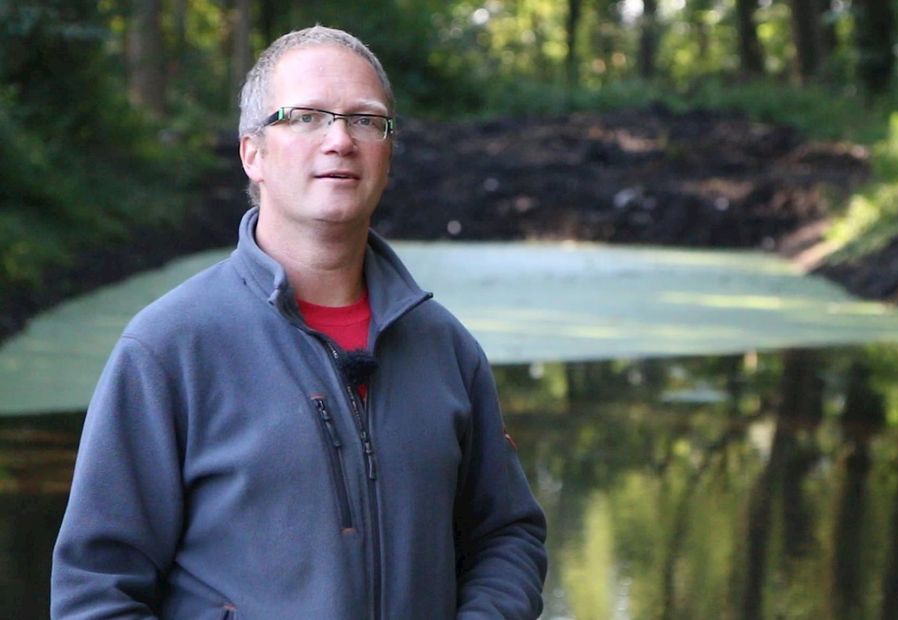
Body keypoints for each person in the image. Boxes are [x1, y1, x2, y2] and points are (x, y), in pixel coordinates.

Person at [51, 25, 548, 619]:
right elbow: (96, 590)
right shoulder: (169, 350)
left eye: (366, 120)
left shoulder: (446, 349)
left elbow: (506, 536)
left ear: (388, 152)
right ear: (252, 152)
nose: (340, 139)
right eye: (307, 117)